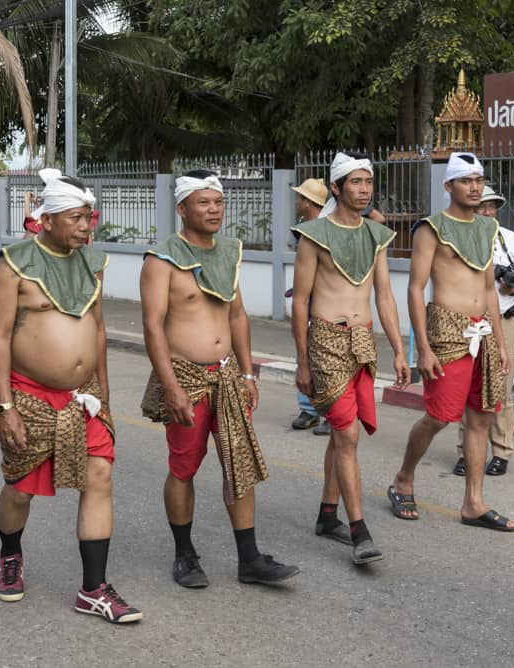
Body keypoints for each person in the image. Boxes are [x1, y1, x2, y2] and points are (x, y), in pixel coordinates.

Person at [0, 170, 142, 624]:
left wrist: (106, 397)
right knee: (21, 489)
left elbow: (97, 330)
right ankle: (10, 555)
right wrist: (4, 406)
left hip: (85, 397)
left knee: (99, 477)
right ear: (49, 218)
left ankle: (93, 588)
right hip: (30, 395)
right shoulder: (13, 263)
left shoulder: (92, 262)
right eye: (75, 218)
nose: (85, 226)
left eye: (88, 218)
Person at [141, 170, 300, 588]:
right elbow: (153, 327)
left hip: (228, 374)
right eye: (203, 203)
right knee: (184, 467)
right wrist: (171, 386)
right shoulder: (162, 259)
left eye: (218, 202)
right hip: (185, 377)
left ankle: (249, 558)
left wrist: (248, 371)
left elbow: (236, 314)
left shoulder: (229, 251)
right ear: (182, 209)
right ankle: (184, 554)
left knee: (238, 462)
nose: (214, 210)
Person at [387, 152, 514, 532]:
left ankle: (473, 502)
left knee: (481, 417)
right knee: (441, 415)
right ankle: (403, 479)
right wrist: (421, 347)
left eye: (479, 180)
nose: (475, 187)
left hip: (486, 333)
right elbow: (415, 288)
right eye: (466, 181)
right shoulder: (430, 228)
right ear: (449, 186)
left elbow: (489, 288)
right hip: (447, 332)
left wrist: (502, 343)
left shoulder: (488, 227)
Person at [292, 153, 410, 564]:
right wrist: (302, 362)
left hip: (363, 342)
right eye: (355, 182)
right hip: (325, 340)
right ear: (337, 187)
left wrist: (399, 348)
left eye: (368, 182)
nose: (363, 190)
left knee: (345, 432)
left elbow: (383, 296)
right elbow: (301, 301)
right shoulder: (313, 235)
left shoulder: (377, 235)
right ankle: (360, 530)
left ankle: (328, 514)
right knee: (347, 434)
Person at [452, 186, 514, 477]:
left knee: (502, 386)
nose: (487, 212)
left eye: (492, 207)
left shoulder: (509, 239)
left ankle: (501, 452)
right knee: (467, 389)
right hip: (471, 320)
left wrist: (513, 286)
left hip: (506, 319)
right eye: (482, 206)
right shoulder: (460, 239)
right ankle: (466, 452)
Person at [288, 177, 328, 432]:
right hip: (306, 301)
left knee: (324, 358)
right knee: (303, 351)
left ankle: (330, 412)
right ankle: (309, 409)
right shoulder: (304, 231)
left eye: (300, 198)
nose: (296, 202)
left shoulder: (327, 230)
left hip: (324, 304)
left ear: (308, 202)